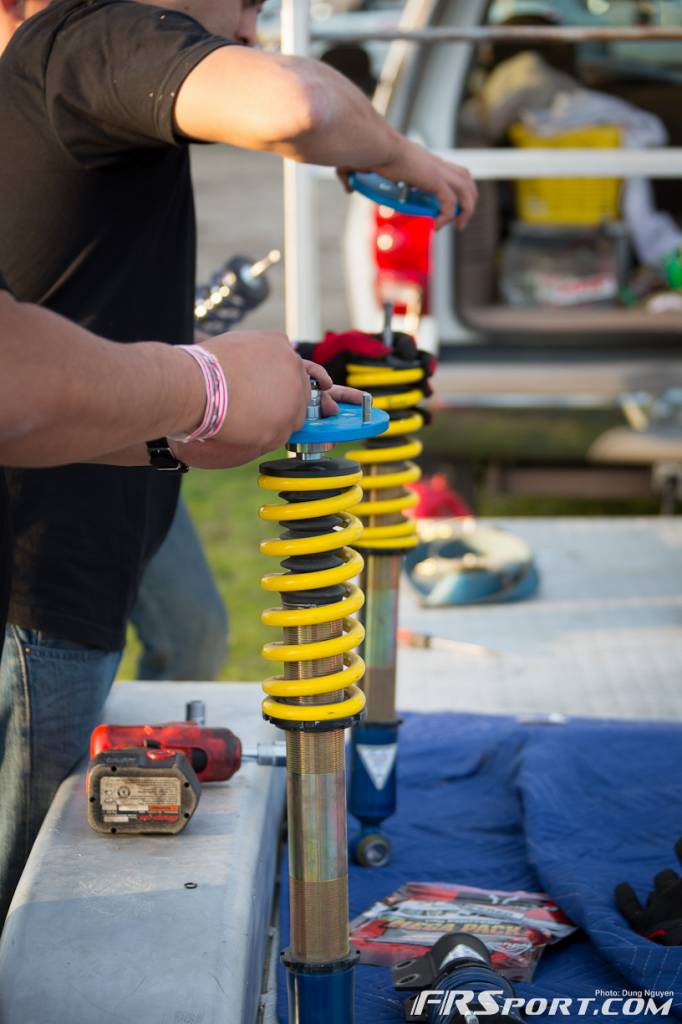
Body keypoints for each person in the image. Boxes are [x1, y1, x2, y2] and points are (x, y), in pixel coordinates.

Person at [0, 0, 477, 922]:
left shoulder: (45, 70)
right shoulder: (90, 33)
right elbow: (294, 107)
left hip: (101, 479)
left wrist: (206, 409)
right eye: (248, 4)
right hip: (47, 558)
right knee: (31, 899)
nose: (254, 24)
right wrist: (397, 152)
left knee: (195, 632)